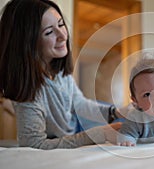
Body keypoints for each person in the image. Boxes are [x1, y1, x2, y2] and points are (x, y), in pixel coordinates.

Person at [0, 0, 121, 149]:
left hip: (77, 123)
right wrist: (96, 135)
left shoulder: (59, 71)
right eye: (49, 32)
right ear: (28, 43)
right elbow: (33, 143)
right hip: (68, 134)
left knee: (131, 117)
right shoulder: (29, 92)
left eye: (61, 24)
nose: (63, 36)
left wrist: (114, 112)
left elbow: (78, 103)